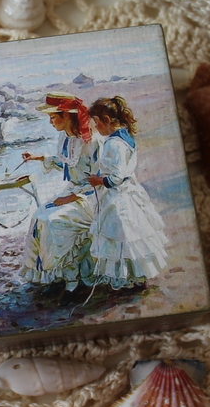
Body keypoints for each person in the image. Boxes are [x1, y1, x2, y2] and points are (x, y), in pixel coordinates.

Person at [19, 92, 100, 294]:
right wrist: (38, 158)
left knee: (53, 221)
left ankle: (74, 281)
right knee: (39, 217)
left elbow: (101, 179)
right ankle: (56, 273)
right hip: (72, 192)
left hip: (92, 197)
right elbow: (65, 163)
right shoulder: (65, 138)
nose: (50, 122)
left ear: (66, 116)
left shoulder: (91, 141)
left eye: (53, 117)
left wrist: (73, 197)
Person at [86, 96, 168, 290]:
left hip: (119, 197)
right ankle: (137, 277)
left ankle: (130, 279)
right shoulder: (125, 137)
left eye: (96, 122)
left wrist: (98, 180)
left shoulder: (113, 143)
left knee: (122, 237)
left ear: (106, 120)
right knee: (131, 237)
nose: (95, 127)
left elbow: (116, 177)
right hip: (129, 191)